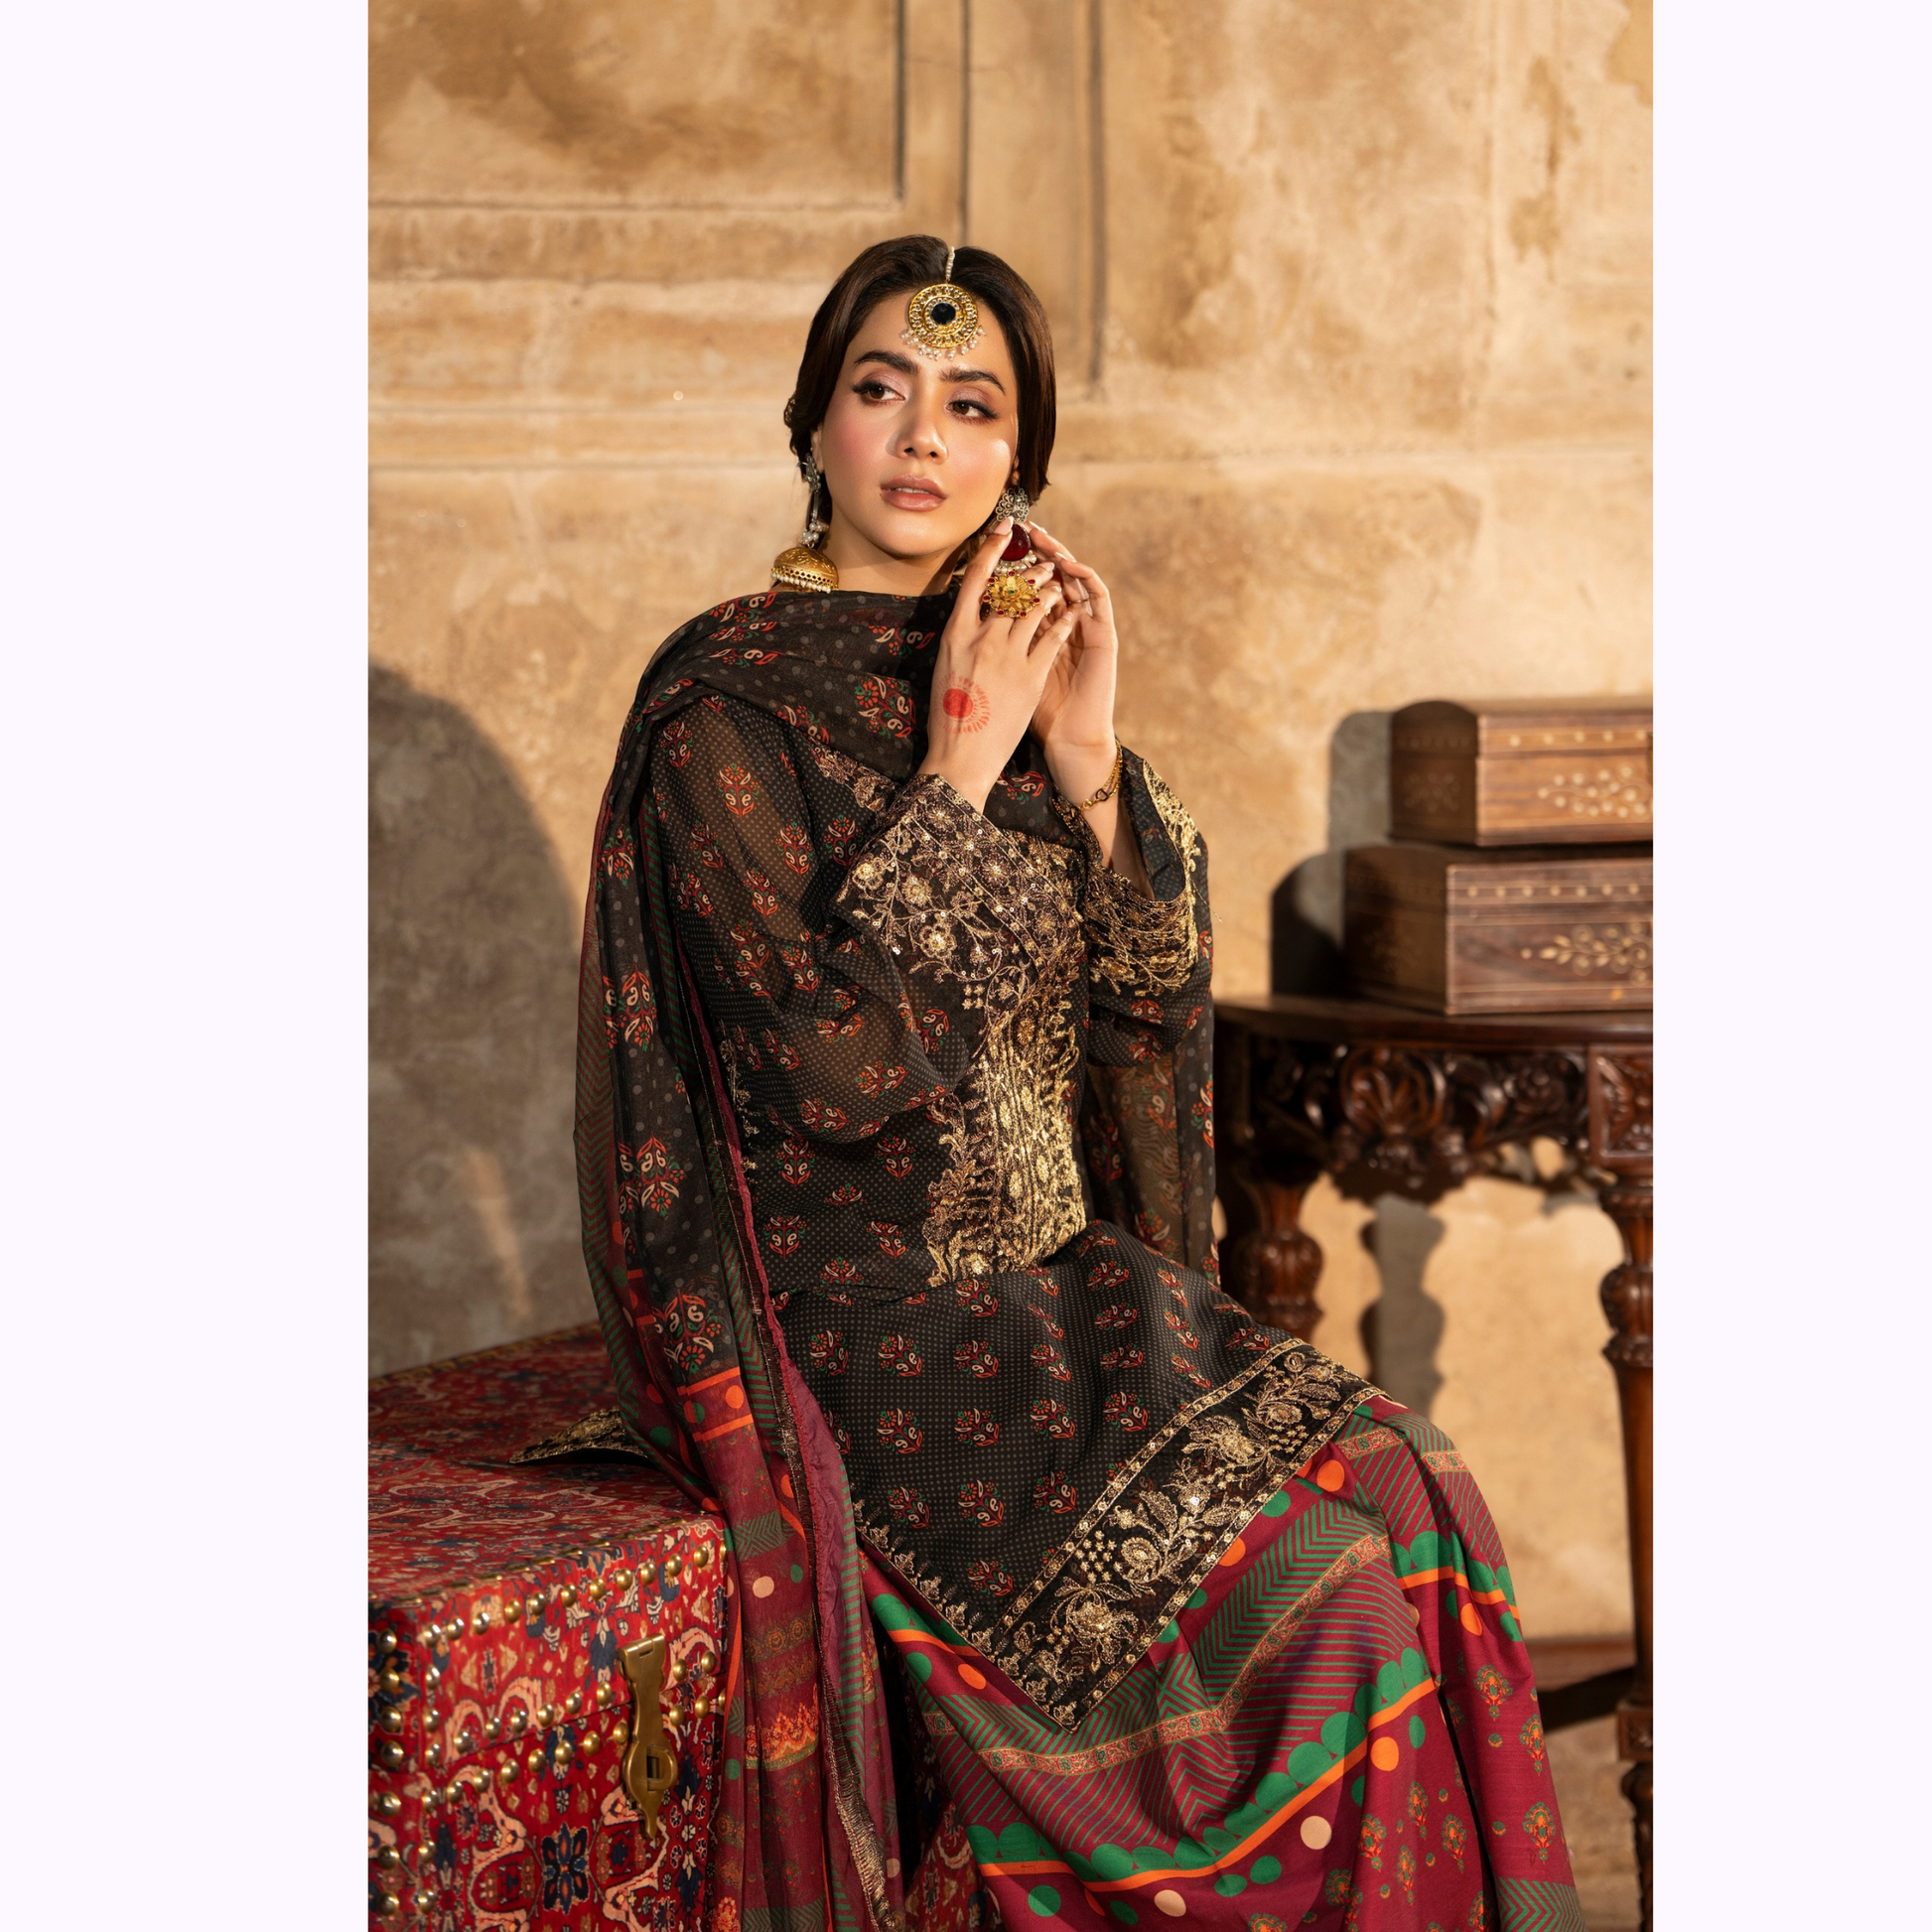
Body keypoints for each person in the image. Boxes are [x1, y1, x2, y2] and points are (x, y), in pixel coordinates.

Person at [576, 235, 1582, 1931]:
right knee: (1332, 1607)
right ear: (812, 425)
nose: (921, 436)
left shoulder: (1017, 676)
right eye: (880, 389)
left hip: (1061, 1299)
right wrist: (960, 771)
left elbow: (1141, 1023)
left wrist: (1091, 766)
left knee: (1413, 1486)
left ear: (1018, 462)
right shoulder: (720, 712)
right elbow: (825, 1072)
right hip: (860, 1320)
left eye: (971, 406)